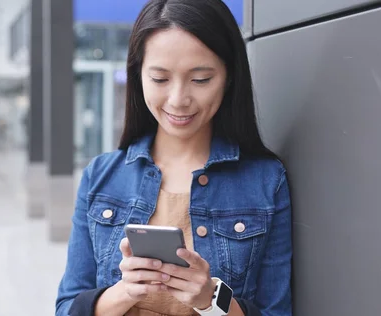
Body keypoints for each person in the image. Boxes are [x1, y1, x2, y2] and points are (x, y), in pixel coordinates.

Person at [55, 0, 293, 315]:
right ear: (138, 76)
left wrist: (211, 299)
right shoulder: (101, 177)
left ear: (230, 77)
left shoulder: (265, 180)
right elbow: (67, 307)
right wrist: (125, 293)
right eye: (160, 79)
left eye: (201, 79)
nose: (178, 100)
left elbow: (276, 311)